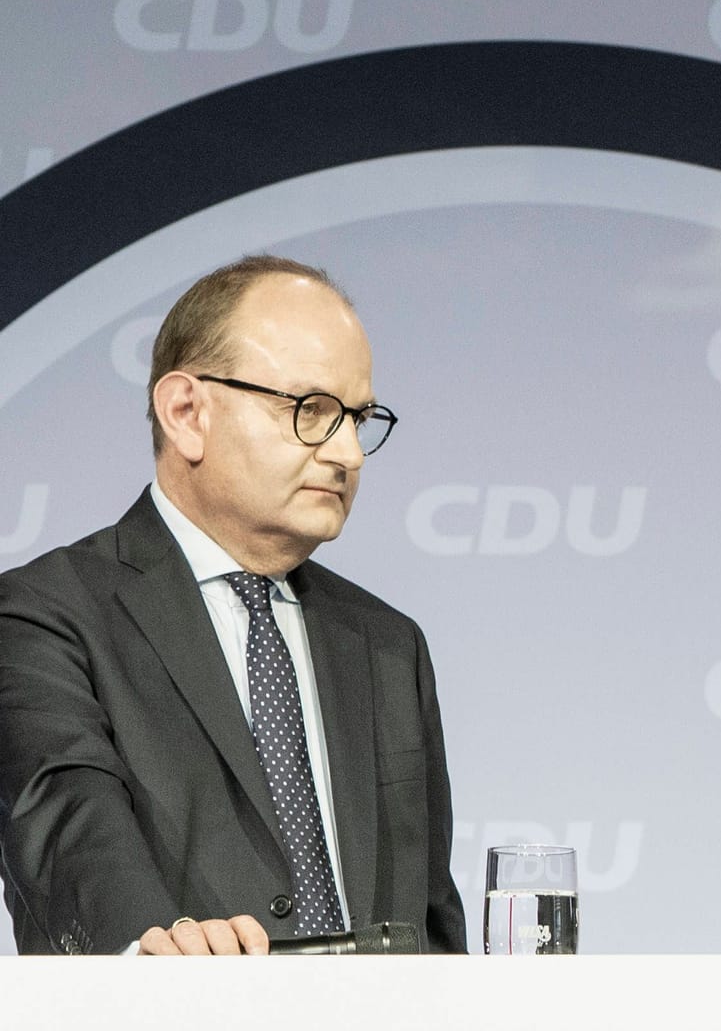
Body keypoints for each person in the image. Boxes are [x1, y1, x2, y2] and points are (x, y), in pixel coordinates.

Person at [0, 256, 464, 955]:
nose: (349, 454)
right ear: (186, 412)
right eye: (311, 411)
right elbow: (70, 826)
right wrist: (154, 947)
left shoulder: (388, 644)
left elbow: (431, 924)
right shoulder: (44, 616)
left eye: (359, 419)